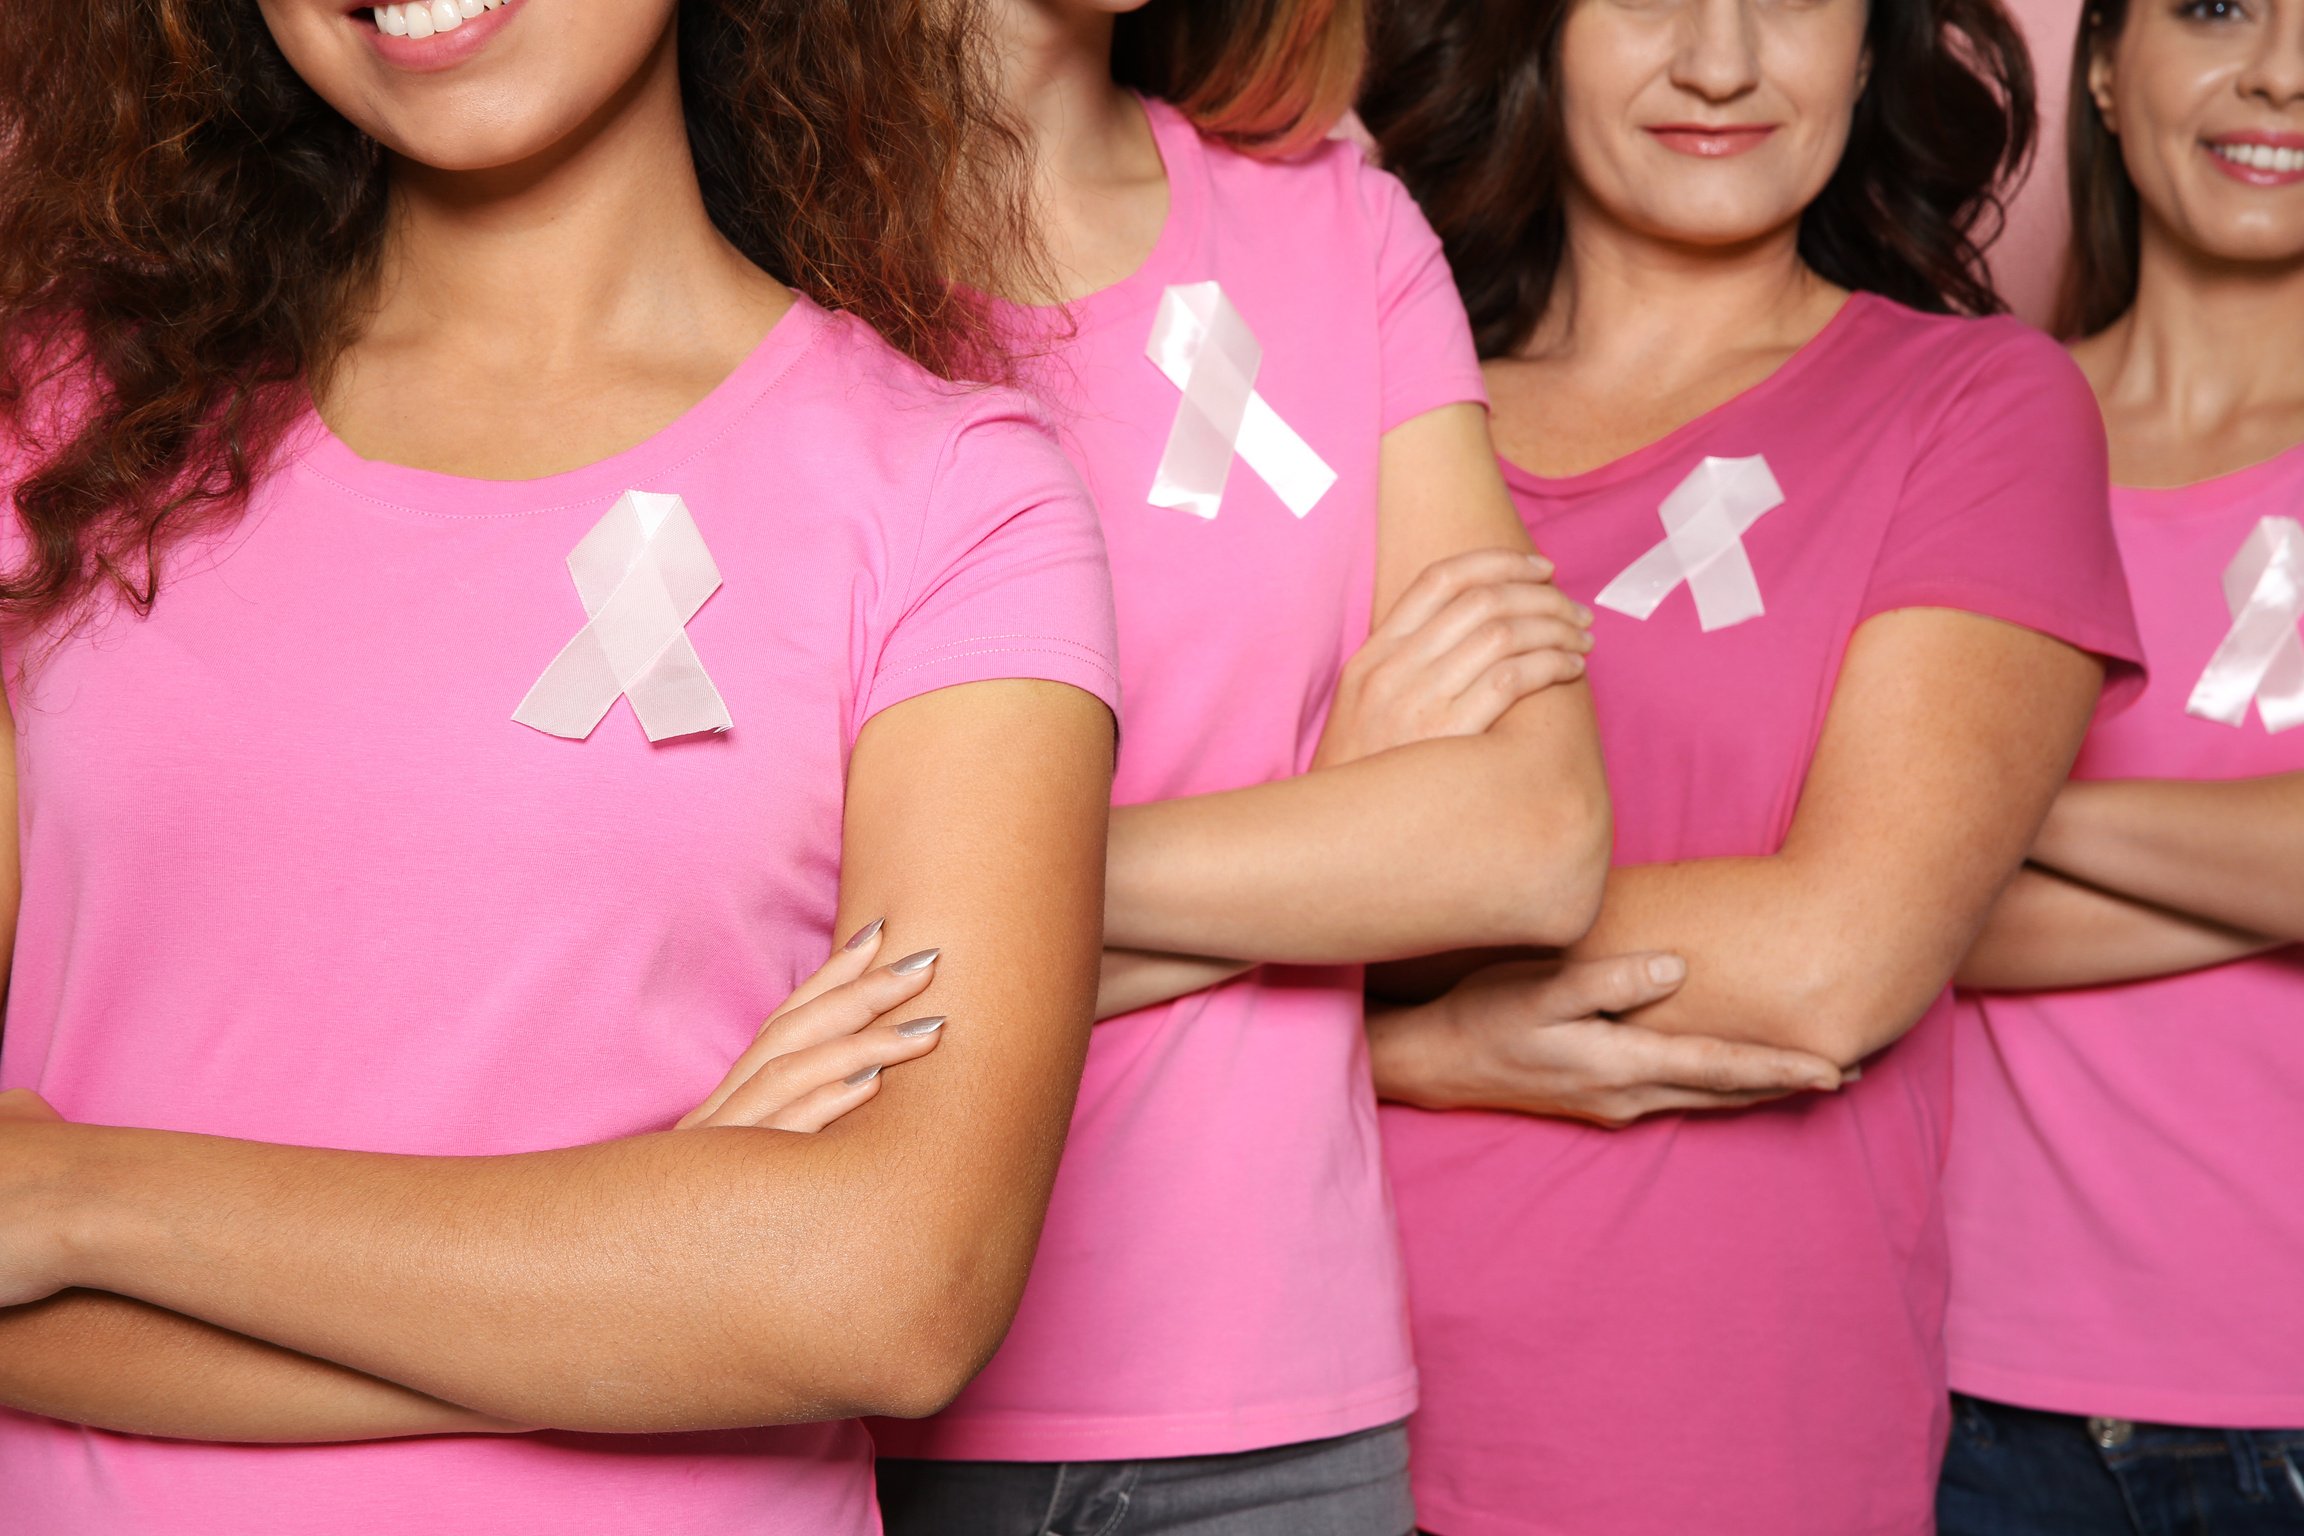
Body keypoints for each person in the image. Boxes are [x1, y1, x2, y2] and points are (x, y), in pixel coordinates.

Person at [0, 1, 1123, 1531]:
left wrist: (84, 1201)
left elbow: (894, 1291)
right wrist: (646, 1287)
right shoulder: (56, 433)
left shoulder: (952, 502)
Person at [1358, 0, 2147, 1528]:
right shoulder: (1372, 398)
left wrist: (1356, 961)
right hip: (1283, 1413)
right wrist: (1426, 1048)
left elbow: (1834, 955)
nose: (1719, 60)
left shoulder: (1979, 408)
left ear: (1872, 43)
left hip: (1717, 1446)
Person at [869, 2, 1619, 1531]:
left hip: (1280, 1409)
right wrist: (1321, 851)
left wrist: (969, 915)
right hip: (837, 1400)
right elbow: (711, 955)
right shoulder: (755, 258)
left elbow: (1528, 837)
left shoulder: (1339, 232)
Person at [1936, 0, 2304, 1524]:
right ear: (2097, 60)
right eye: (2220, 5)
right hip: (1984, 1409)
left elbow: (1923, 871)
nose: (2282, 70)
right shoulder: (1960, 436)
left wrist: (2002, 814)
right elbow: (1880, 920)